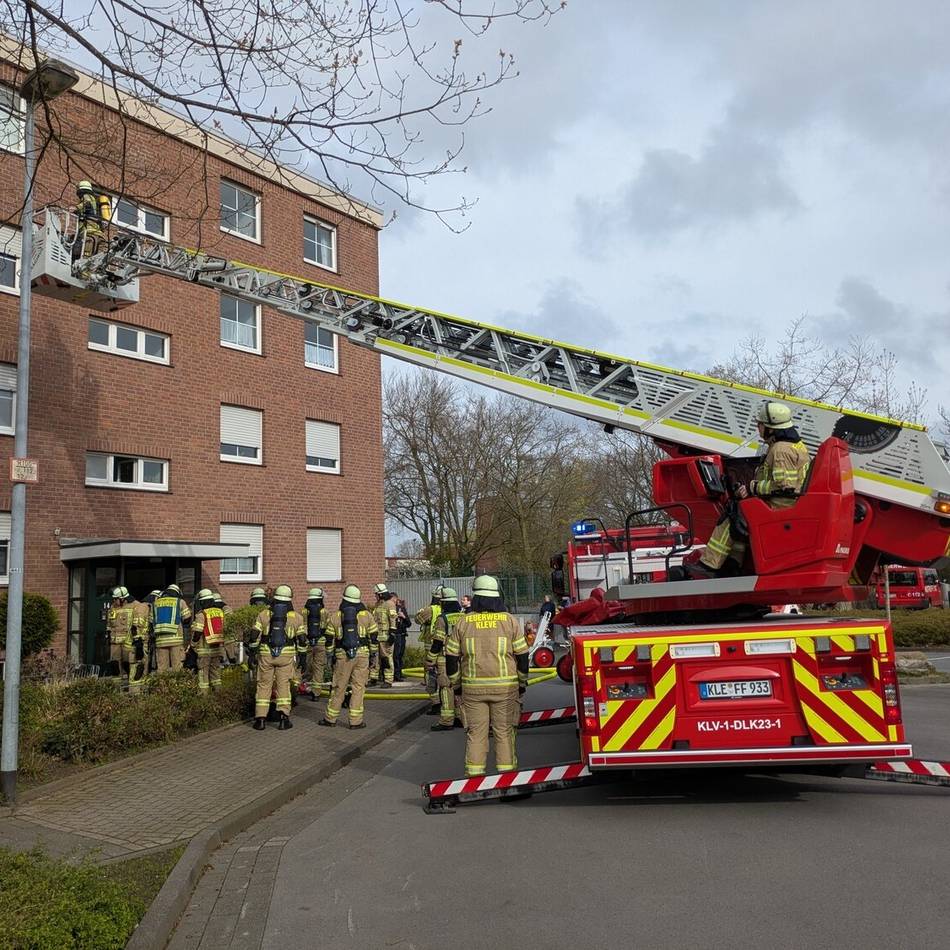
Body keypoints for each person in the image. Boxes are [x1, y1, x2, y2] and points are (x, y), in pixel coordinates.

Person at [692, 401, 811, 577]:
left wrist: (752, 487)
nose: (758, 428)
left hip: (780, 506)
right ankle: (733, 565)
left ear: (770, 427)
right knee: (743, 512)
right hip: (788, 504)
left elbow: (785, 486)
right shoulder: (794, 446)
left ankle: (710, 564)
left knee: (734, 513)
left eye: (760, 425)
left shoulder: (780, 450)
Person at [445, 575, 529, 776]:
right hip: (506, 690)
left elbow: (450, 658)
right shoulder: (509, 621)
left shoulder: (464, 623)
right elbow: (523, 656)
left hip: (472, 690)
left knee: (476, 734)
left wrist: (456, 685)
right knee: (504, 733)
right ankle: (507, 781)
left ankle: (474, 780)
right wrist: (522, 682)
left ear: (476, 598)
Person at [320, 585, 378, 730]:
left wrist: (330, 655)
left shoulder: (336, 616)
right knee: (359, 688)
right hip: (363, 655)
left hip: (343, 656)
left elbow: (329, 639)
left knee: (339, 687)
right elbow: (374, 637)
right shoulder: (367, 615)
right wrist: (373, 655)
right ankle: (356, 721)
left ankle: (330, 719)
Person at [249, 585, 307, 730]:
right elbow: (301, 640)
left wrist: (251, 654)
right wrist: (303, 657)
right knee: (283, 686)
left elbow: (254, 636)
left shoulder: (263, 614)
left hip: (266, 655)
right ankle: (284, 719)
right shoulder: (297, 617)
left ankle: (260, 720)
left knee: (263, 686)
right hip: (286, 656)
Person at [427, 587, 465, 732]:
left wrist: (430, 659)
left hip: (446, 658)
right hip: (463, 659)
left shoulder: (443, 619)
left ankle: (447, 721)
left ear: (443, 602)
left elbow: (437, 642)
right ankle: (461, 717)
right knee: (460, 689)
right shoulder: (464, 617)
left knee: (446, 688)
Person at [190, 589, 227, 692]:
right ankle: (218, 695)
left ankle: (204, 698)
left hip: (204, 651)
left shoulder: (202, 614)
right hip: (217, 649)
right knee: (216, 676)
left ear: (202, 602)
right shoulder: (220, 612)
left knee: (203, 676)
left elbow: (198, 631)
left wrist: (193, 644)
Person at [152, 584, 192, 671]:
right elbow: (187, 618)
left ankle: (162, 684)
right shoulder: (179, 602)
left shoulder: (156, 603)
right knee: (177, 666)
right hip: (176, 639)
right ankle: (176, 684)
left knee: (162, 667)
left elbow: (151, 620)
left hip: (160, 640)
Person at [416, 586, 443, 713]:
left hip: (431, 646)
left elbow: (418, 619)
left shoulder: (430, 609)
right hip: (446, 648)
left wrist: (419, 612)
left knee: (430, 674)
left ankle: (435, 702)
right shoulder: (450, 609)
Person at [73, 180, 110, 263]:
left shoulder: (86, 196)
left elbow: (86, 203)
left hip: (89, 233)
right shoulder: (95, 201)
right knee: (96, 260)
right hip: (99, 235)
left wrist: (76, 209)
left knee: (85, 259)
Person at [303, 587, 330, 699]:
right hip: (321, 642)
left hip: (307, 642)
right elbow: (328, 627)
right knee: (318, 667)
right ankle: (316, 693)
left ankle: (296, 689)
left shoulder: (304, 611)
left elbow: (302, 626)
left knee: (304, 666)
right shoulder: (325, 612)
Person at [371, 583, 397, 689]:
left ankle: (388, 680)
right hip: (377, 636)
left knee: (386, 658)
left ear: (381, 594)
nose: (375, 596)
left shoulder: (389, 604)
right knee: (374, 658)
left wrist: (392, 633)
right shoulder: (378, 604)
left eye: (376, 594)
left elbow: (393, 619)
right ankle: (373, 678)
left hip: (386, 636)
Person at [106, 587, 134, 681]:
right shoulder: (112, 608)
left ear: (123, 599)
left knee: (128, 665)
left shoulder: (132, 607)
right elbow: (109, 624)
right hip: (115, 644)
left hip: (128, 643)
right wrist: (107, 636)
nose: (114, 601)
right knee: (115, 666)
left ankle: (130, 687)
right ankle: (116, 690)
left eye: (116, 599)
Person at [127, 591, 151, 692]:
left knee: (143, 668)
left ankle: (140, 691)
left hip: (143, 643)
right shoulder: (143, 607)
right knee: (137, 668)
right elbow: (135, 626)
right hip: (139, 643)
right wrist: (138, 643)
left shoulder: (147, 608)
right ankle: (135, 693)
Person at [393, 598, 410, 682]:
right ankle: (396, 675)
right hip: (396, 635)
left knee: (400, 655)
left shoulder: (402, 609)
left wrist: (403, 617)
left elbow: (409, 623)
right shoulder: (391, 609)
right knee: (396, 655)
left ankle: (399, 673)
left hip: (402, 635)